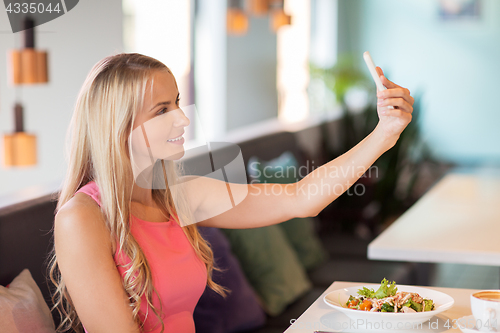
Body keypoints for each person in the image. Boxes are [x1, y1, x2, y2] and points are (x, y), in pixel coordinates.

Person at [49, 53, 414, 333]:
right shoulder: (81, 218)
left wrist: (385, 134)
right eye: (163, 110)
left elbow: (299, 198)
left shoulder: (175, 194)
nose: (183, 119)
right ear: (117, 127)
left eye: (177, 102)